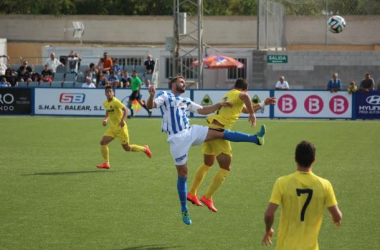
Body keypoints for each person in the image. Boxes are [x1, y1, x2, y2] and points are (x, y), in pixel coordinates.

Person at [147, 76, 267, 225]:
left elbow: (203, 110)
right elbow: (151, 106)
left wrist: (219, 104)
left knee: (220, 133)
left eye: (184, 82)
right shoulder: (164, 95)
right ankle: (184, 208)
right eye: (181, 81)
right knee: (183, 174)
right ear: (173, 83)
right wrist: (152, 95)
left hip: (190, 131)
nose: (184, 83)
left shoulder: (185, 100)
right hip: (177, 139)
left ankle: (255, 139)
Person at [187, 78, 277, 212]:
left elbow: (245, 110)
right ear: (245, 88)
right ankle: (207, 197)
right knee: (225, 168)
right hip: (219, 131)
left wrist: (264, 103)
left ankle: (192, 193)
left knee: (207, 164)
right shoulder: (239, 94)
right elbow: (245, 98)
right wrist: (253, 114)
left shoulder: (230, 94)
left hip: (211, 128)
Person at [262, 141, 342, 249]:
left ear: (295, 159)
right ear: (313, 160)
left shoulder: (282, 182)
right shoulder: (324, 185)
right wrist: (335, 219)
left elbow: (269, 214)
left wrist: (268, 229)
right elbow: (337, 216)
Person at [96, 86, 152, 169]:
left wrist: (122, 121)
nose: (109, 93)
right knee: (103, 142)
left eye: (110, 91)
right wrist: (106, 119)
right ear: (105, 94)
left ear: (113, 93)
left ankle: (144, 149)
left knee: (127, 148)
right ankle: (106, 163)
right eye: (107, 92)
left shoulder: (115, 101)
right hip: (113, 127)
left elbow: (126, 110)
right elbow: (108, 111)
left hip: (121, 128)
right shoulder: (105, 103)